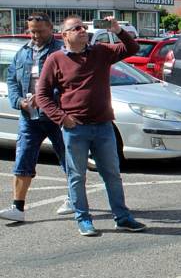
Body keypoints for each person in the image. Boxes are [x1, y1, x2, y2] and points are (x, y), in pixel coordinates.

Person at [36, 16, 146, 237]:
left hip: (104, 125)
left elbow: (132, 47)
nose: (83, 30)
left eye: (84, 27)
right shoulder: (55, 59)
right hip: (75, 128)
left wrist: (117, 30)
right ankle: (83, 219)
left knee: (112, 174)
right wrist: (61, 118)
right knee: (77, 176)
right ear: (64, 35)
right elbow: (42, 95)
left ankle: (122, 217)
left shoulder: (100, 52)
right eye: (76, 28)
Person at [0, 13, 72, 222]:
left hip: (56, 115)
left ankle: (72, 198)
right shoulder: (22, 53)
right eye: (32, 31)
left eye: (40, 31)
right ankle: (17, 207)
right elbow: (12, 79)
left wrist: (48, 100)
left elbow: (70, 82)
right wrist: (19, 101)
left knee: (68, 158)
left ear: (51, 28)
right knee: (23, 158)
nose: (35, 35)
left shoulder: (61, 52)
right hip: (29, 117)